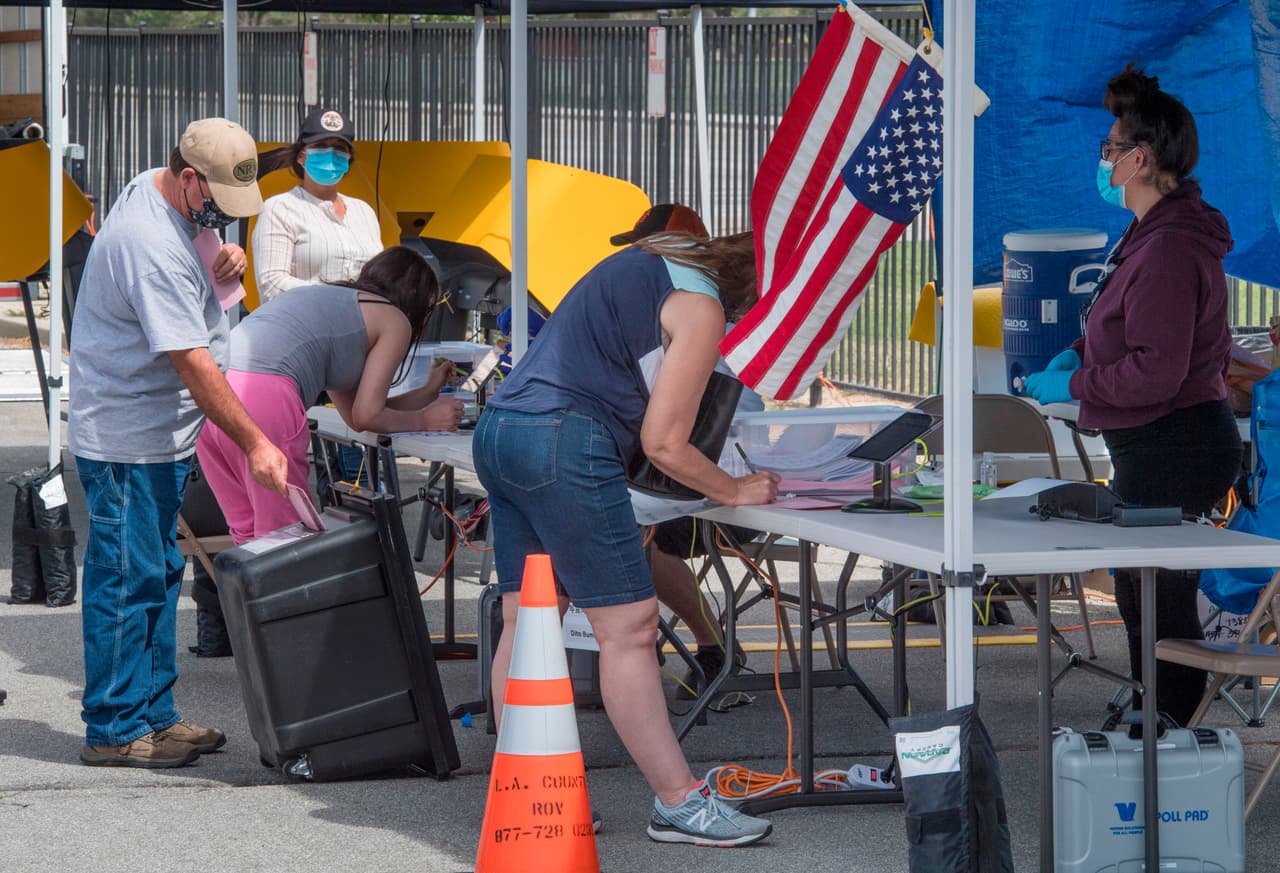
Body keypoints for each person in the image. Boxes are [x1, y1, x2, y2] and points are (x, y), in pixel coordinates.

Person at [473, 230, 780, 847]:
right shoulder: (702, 308)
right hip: (564, 438)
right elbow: (663, 442)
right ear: (754, 299)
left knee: (527, 621)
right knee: (631, 628)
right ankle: (678, 802)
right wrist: (734, 490)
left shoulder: (653, 258)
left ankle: (533, 799)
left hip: (502, 427)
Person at [68, 118, 290, 768]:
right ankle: (113, 727)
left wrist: (227, 264)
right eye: (214, 196)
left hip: (152, 435)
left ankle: (154, 715)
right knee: (124, 576)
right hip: (126, 438)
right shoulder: (148, 240)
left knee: (157, 572)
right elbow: (191, 359)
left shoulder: (165, 200)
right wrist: (253, 441)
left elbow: (201, 301)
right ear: (189, 177)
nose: (220, 212)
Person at [1024, 65, 1242, 727]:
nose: (1105, 160)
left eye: (1110, 150)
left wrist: (1074, 385)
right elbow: (1126, 325)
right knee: (1138, 588)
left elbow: (1155, 370)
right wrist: (1082, 353)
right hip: (1155, 443)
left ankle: (1171, 732)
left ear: (1140, 159)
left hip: (1177, 442)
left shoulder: (1171, 246)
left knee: (1158, 597)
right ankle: (1160, 719)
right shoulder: (1152, 232)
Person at [196, 246, 465, 544]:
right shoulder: (394, 320)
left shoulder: (337, 304)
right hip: (265, 396)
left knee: (247, 535)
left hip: (212, 393)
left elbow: (361, 413)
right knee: (283, 538)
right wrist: (425, 421)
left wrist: (427, 392)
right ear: (419, 303)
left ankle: (240, 593)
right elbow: (367, 416)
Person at [614, 202, 758, 700]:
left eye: (650, 254)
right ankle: (636, 646)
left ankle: (708, 643)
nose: (640, 264)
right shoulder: (662, 309)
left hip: (713, 483)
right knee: (616, 519)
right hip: (676, 477)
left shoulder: (703, 318)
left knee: (624, 526)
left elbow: (672, 438)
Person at [251, 106, 382, 302]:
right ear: (301, 156)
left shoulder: (364, 212)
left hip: (362, 329)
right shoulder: (280, 209)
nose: (331, 154)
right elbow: (272, 286)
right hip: (304, 329)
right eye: (321, 145)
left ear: (348, 159)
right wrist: (343, 298)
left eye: (339, 148)